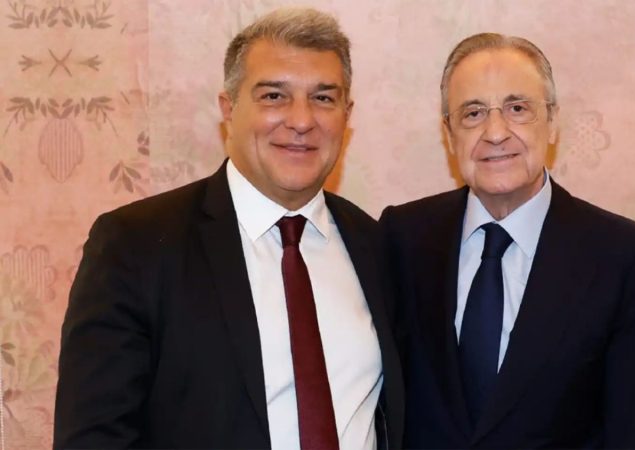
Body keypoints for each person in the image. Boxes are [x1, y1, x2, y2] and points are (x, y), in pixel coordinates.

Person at [54, 8, 402, 449]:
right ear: (228, 108)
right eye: (274, 96)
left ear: (346, 115)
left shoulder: (375, 245)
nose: (301, 120)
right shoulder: (135, 245)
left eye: (323, 98)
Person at [380, 33, 635, 449]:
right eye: (473, 113)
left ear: (552, 123)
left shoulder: (626, 257)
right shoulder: (402, 236)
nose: (496, 132)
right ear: (449, 134)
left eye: (517, 108)